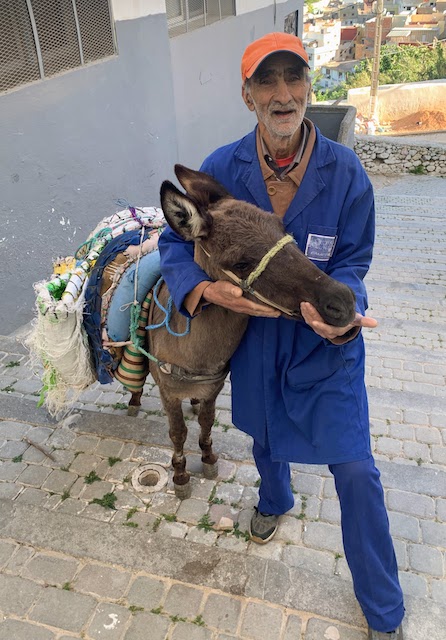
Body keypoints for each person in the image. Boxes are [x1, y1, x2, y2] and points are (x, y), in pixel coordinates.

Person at [158, 32, 404, 640]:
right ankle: (274, 501)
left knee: (354, 471)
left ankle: (384, 609)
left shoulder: (345, 173)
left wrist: (341, 312)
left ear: (308, 88)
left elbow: (354, 260)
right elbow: (173, 240)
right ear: (247, 96)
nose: (282, 94)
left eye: (292, 79)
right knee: (265, 438)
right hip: (258, 342)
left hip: (325, 345)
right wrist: (203, 290)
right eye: (266, 82)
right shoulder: (222, 167)